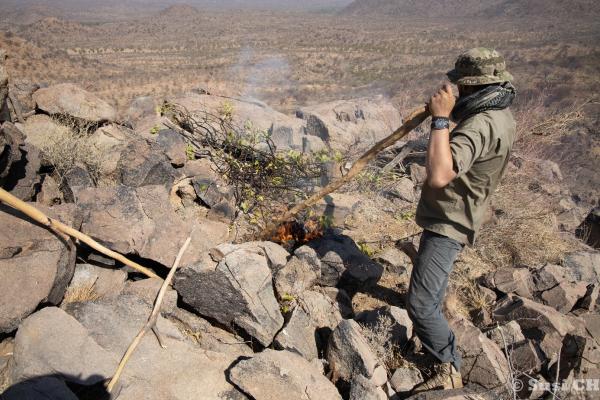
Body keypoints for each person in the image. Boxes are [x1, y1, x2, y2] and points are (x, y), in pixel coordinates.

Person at [407, 47, 517, 391]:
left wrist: (441, 119)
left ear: (474, 88)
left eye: (462, 88)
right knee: (432, 296)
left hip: (449, 225)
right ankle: (442, 347)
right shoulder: (500, 114)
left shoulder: (481, 125)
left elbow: (440, 174)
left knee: (420, 304)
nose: (457, 92)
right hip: (457, 217)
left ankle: (447, 367)